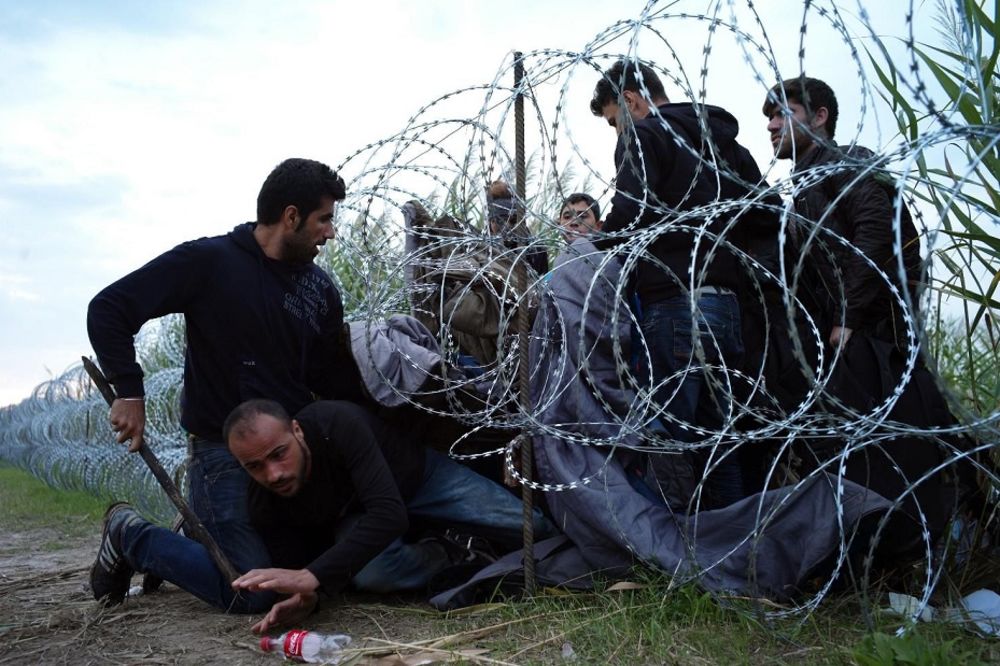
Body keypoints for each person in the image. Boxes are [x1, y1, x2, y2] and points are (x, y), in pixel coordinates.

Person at [87, 157, 363, 612]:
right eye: (324, 219)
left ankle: (194, 538)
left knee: (316, 573)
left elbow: (326, 377)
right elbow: (110, 308)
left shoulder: (320, 291)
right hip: (224, 457)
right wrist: (129, 391)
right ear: (290, 216)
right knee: (253, 596)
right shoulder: (210, 262)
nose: (330, 233)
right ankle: (131, 535)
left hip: (291, 456)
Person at [589, 59, 772, 507]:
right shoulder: (724, 143)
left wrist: (594, 249)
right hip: (728, 309)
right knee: (718, 442)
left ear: (630, 100)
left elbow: (630, 211)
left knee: (670, 439)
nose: (617, 131)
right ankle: (731, 546)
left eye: (614, 120)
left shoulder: (646, 133)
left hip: (676, 307)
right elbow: (767, 212)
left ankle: (676, 553)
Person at [225, 399, 554, 632]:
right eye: (254, 466)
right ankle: (453, 552)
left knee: (536, 529)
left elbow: (389, 513)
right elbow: (304, 571)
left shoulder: (336, 422)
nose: (273, 474)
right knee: (374, 575)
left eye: (279, 454)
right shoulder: (264, 504)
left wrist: (312, 576)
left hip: (418, 480)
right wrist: (307, 598)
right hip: (364, 517)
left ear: (297, 431)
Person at [762, 76, 922, 351]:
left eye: (783, 113)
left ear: (819, 117)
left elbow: (875, 230)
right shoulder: (804, 190)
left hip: (881, 333)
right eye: (770, 117)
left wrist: (848, 317)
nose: (771, 125)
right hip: (850, 332)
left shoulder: (844, 162)